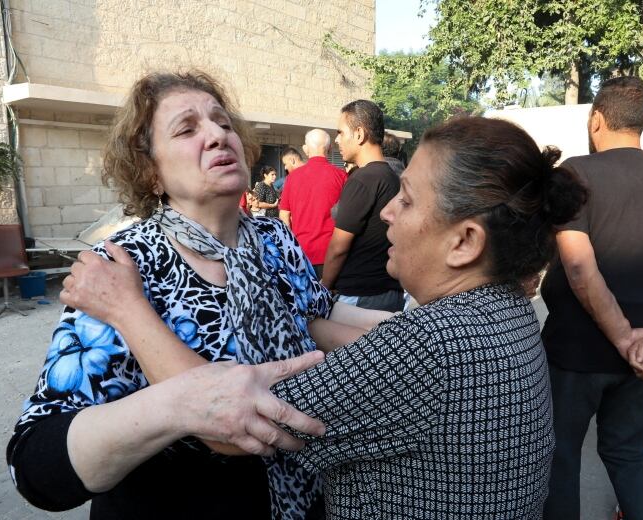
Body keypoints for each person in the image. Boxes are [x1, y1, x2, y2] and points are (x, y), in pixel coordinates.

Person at [60, 115, 588, 518]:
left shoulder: (431, 344)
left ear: (464, 241)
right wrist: (290, 310)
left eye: (405, 200)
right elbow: (314, 318)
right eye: (187, 128)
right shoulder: (508, 312)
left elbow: (231, 422)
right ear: (150, 169)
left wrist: (127, 310)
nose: (386, 213)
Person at [6, 70, 387, 520]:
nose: (216, 136)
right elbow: (35, 462)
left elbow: (320, 312)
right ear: (151, 173)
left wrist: (426, 326)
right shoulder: (124, 263)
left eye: (223, 123)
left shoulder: (272, 238)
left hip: (305, 495)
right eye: (187, 129)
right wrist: (174, 407)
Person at [540, 76, 643, 520]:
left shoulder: (574, 174)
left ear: (596, 120)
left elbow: (578, 265)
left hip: (574, 355)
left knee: (560, 458)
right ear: (642, 123)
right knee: (633, 456)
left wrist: (621, 337)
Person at [322, 100, 403, 312]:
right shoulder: (392, 177)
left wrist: (324, 286)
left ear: (359, 134)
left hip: (361, 294)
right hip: (389, 290)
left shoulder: (362, 179)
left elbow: (338, 247)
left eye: (340, 132)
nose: (337, 140)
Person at [279, 129, 347, 278]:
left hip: (302, 252)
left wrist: (290, 246)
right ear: (329, 148)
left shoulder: (292, 178)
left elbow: (284, 214)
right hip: (332, 253)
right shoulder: (342, 176)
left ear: (305, 149)